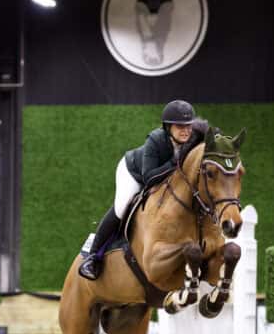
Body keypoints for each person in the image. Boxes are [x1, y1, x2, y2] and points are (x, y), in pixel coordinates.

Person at [78, 99, 208, 281]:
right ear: (168, 127)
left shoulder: (194, 140)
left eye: (188, 126)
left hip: (165, 179)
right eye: (180, 126)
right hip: (134, 173)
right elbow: (149, 178)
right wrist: (175, 162)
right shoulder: (156, 139)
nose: (186, 130)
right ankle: (93, 256)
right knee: (122, 206)